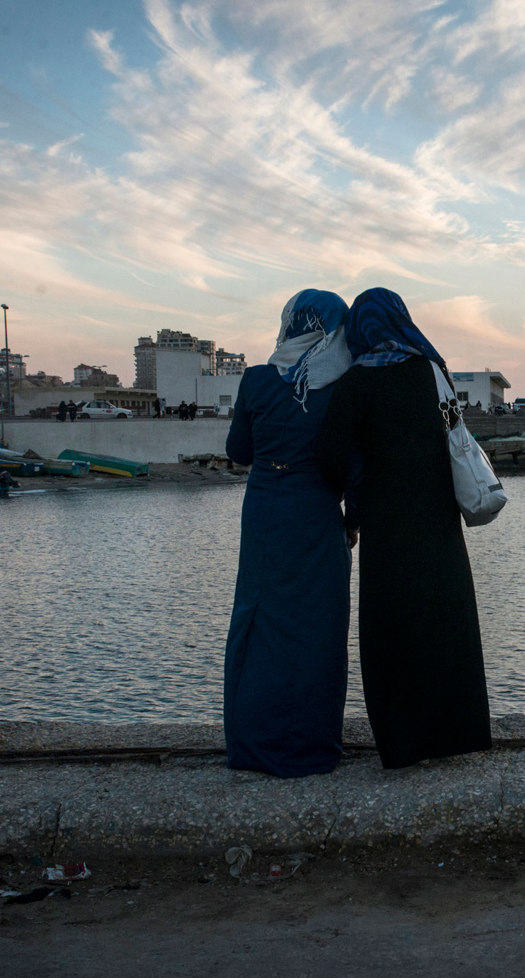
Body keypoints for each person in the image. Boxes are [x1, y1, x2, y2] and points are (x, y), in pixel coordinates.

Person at [315, 287, 492, 770]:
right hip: (437, 522)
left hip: (386, 528)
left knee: (392, 631)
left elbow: (330, 455)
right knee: (444, 623)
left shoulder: (355, 384)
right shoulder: (431, 370)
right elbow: (453, 434)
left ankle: (402, 743)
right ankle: (459, 733)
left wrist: (354, 505)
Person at [223, 289, 355, 778]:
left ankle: (252, 744)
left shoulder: (256, 380)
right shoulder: (341, 383)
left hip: (264, 511)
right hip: (318, 512)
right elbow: (347, 462)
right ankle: (310, 745)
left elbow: (239, 451)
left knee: (260, 620)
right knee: (315, 627)